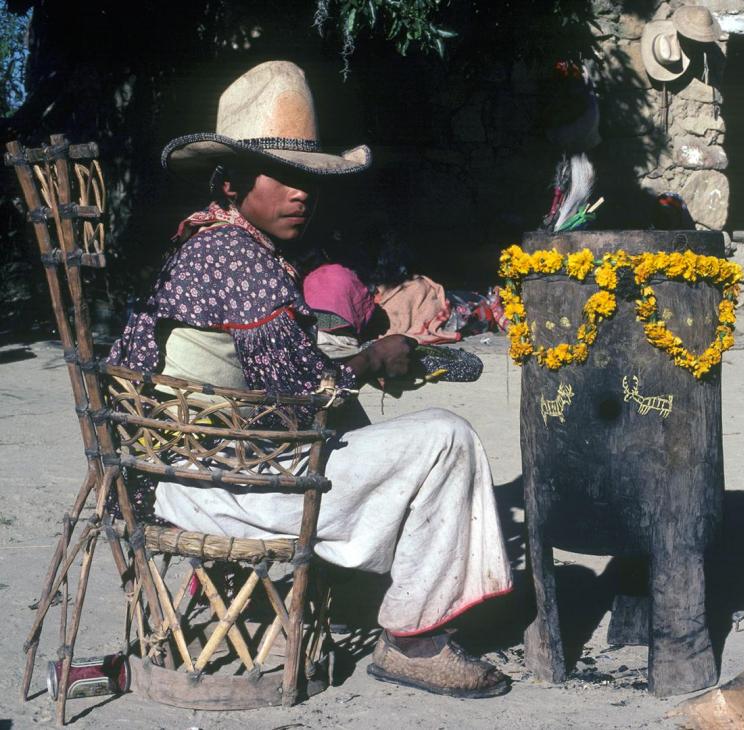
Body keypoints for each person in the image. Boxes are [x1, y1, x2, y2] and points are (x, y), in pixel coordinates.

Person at [107, 60, 513, 698]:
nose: (302, 194)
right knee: (446, 439)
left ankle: (372, 587)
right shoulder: (242, 262)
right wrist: (372, 361)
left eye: (309, 181)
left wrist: (354, 365)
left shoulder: (202, 246)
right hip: (230, 489)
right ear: (232, 183)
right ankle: (415, 640)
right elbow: (297, 401)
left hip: (186, 476)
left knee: (365, 429)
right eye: (286, 178)